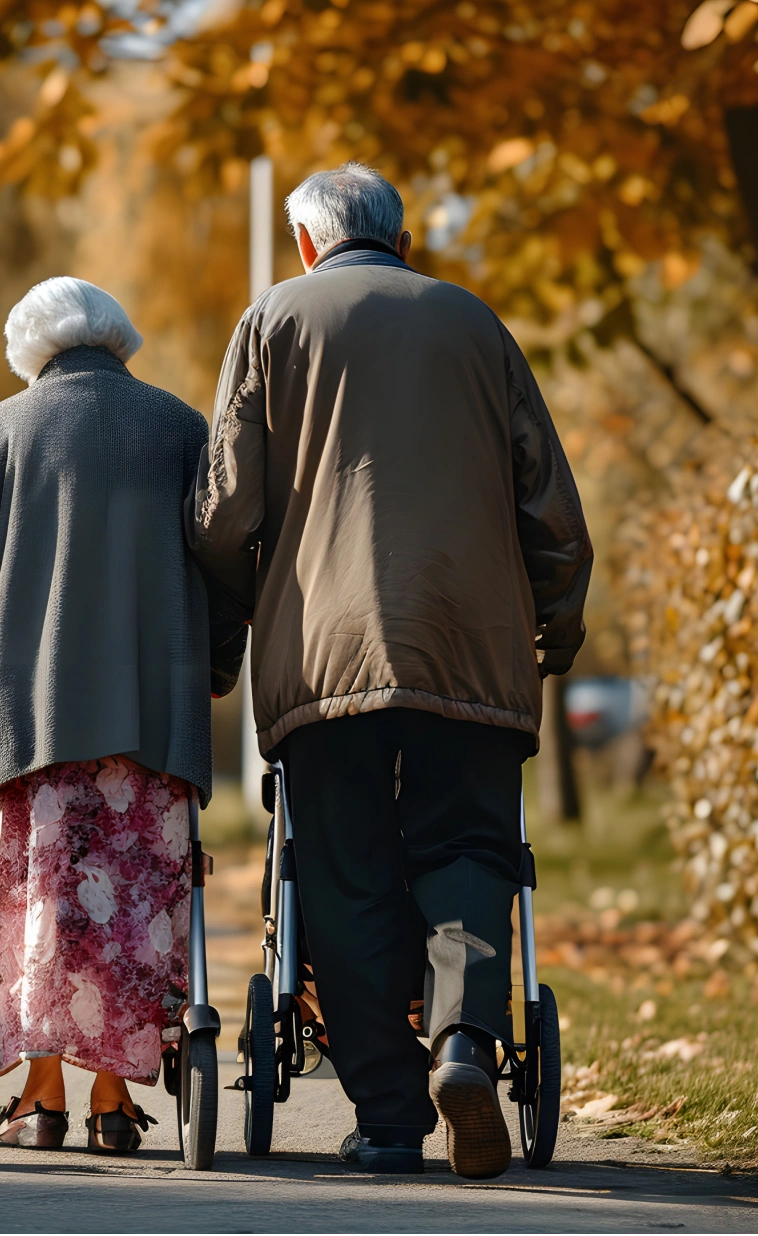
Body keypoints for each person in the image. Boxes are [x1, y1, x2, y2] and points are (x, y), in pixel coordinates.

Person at [188, 164, 592, 1178]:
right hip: (470, 642)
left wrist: (227, 632)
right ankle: (465, 1039)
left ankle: (387, 1115)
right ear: (400, 239)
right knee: (468, 849)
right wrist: (555, 630)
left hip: (326, 654)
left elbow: (223, 512)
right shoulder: (475, 325)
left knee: (345, 873)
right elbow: (549, 506)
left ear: (307, 242)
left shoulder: (274, 322)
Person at [0, 277, 238, 1152]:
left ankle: (40, 1096)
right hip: (154, 715)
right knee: (135, 903)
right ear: (116, 338)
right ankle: (110, 1100)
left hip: (30, 723)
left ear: (31, 350)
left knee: (42, 899)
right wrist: (218, 664)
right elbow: (221, 566)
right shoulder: (181, 431)